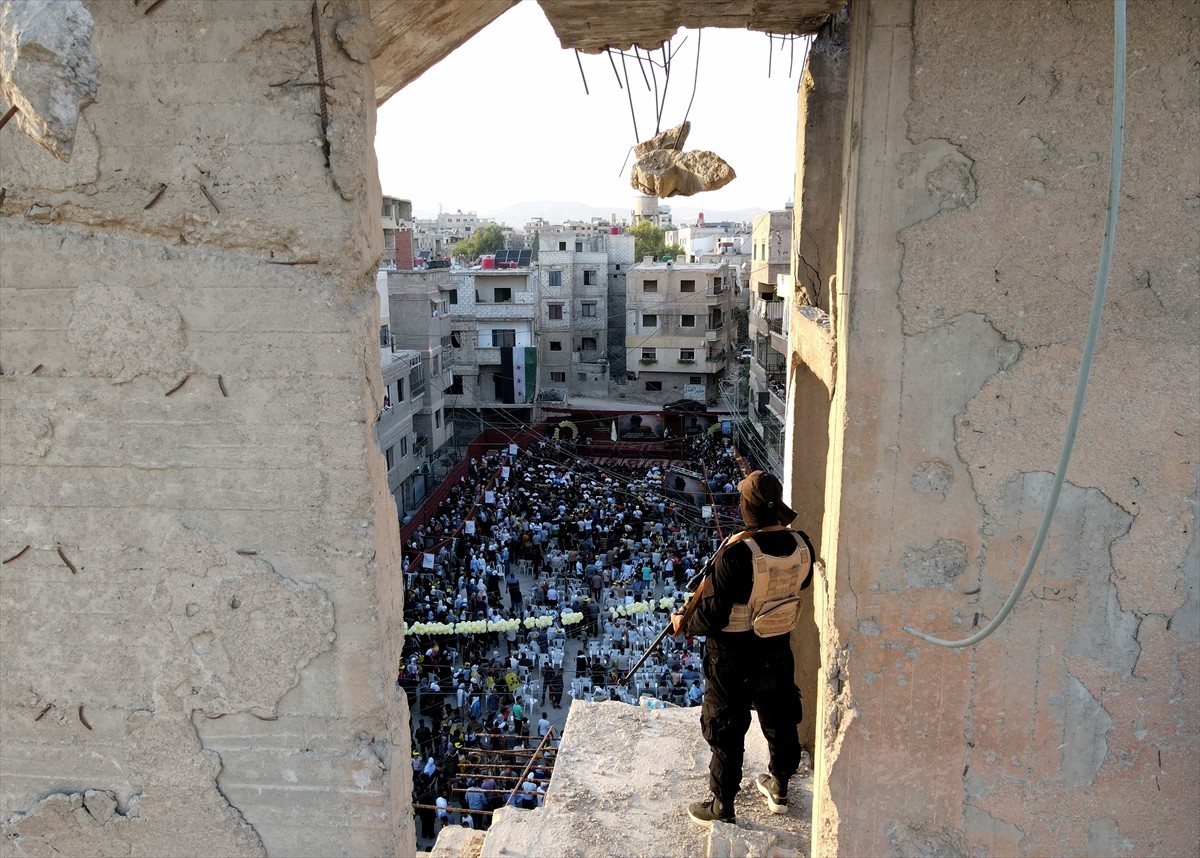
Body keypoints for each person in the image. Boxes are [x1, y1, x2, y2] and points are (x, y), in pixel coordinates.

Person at [671, 470, 814, 829]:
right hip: (776, 646)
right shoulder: (802, 544)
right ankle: (779, 785)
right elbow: (803, 581)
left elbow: (713, 614)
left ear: (747, 507)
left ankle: (722, 804)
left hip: (732, 655)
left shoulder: (736, 554)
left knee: (727, 726)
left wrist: (684, 622)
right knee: (780, 714)